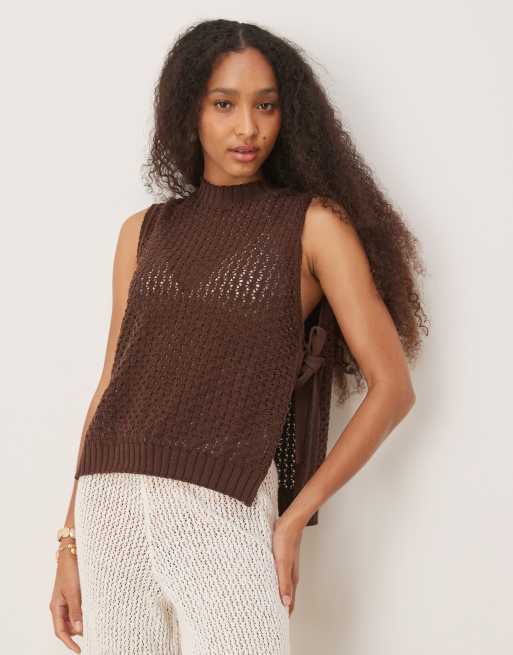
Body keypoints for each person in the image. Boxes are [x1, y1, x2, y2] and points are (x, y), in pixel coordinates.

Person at [49, 18, 428, 655]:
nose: (247, 128)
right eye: (224, 104)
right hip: (109, 507)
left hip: (224, 510)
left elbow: (393, 388)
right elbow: (112, 383)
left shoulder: (312, 227)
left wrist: (294, 518)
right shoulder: (142, 231)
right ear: (189, 111)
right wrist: (69, 541)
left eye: (266, 106)